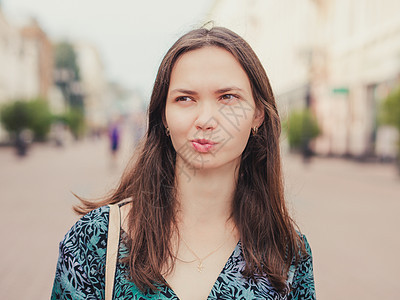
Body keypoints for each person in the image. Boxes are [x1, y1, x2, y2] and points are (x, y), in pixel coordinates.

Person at [51, 26, 315, 299]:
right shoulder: (97, 240)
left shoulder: (287, 254)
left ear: (258, 114)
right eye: (185, 98)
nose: (205, 119)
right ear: (163, 116)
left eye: (227, 97)